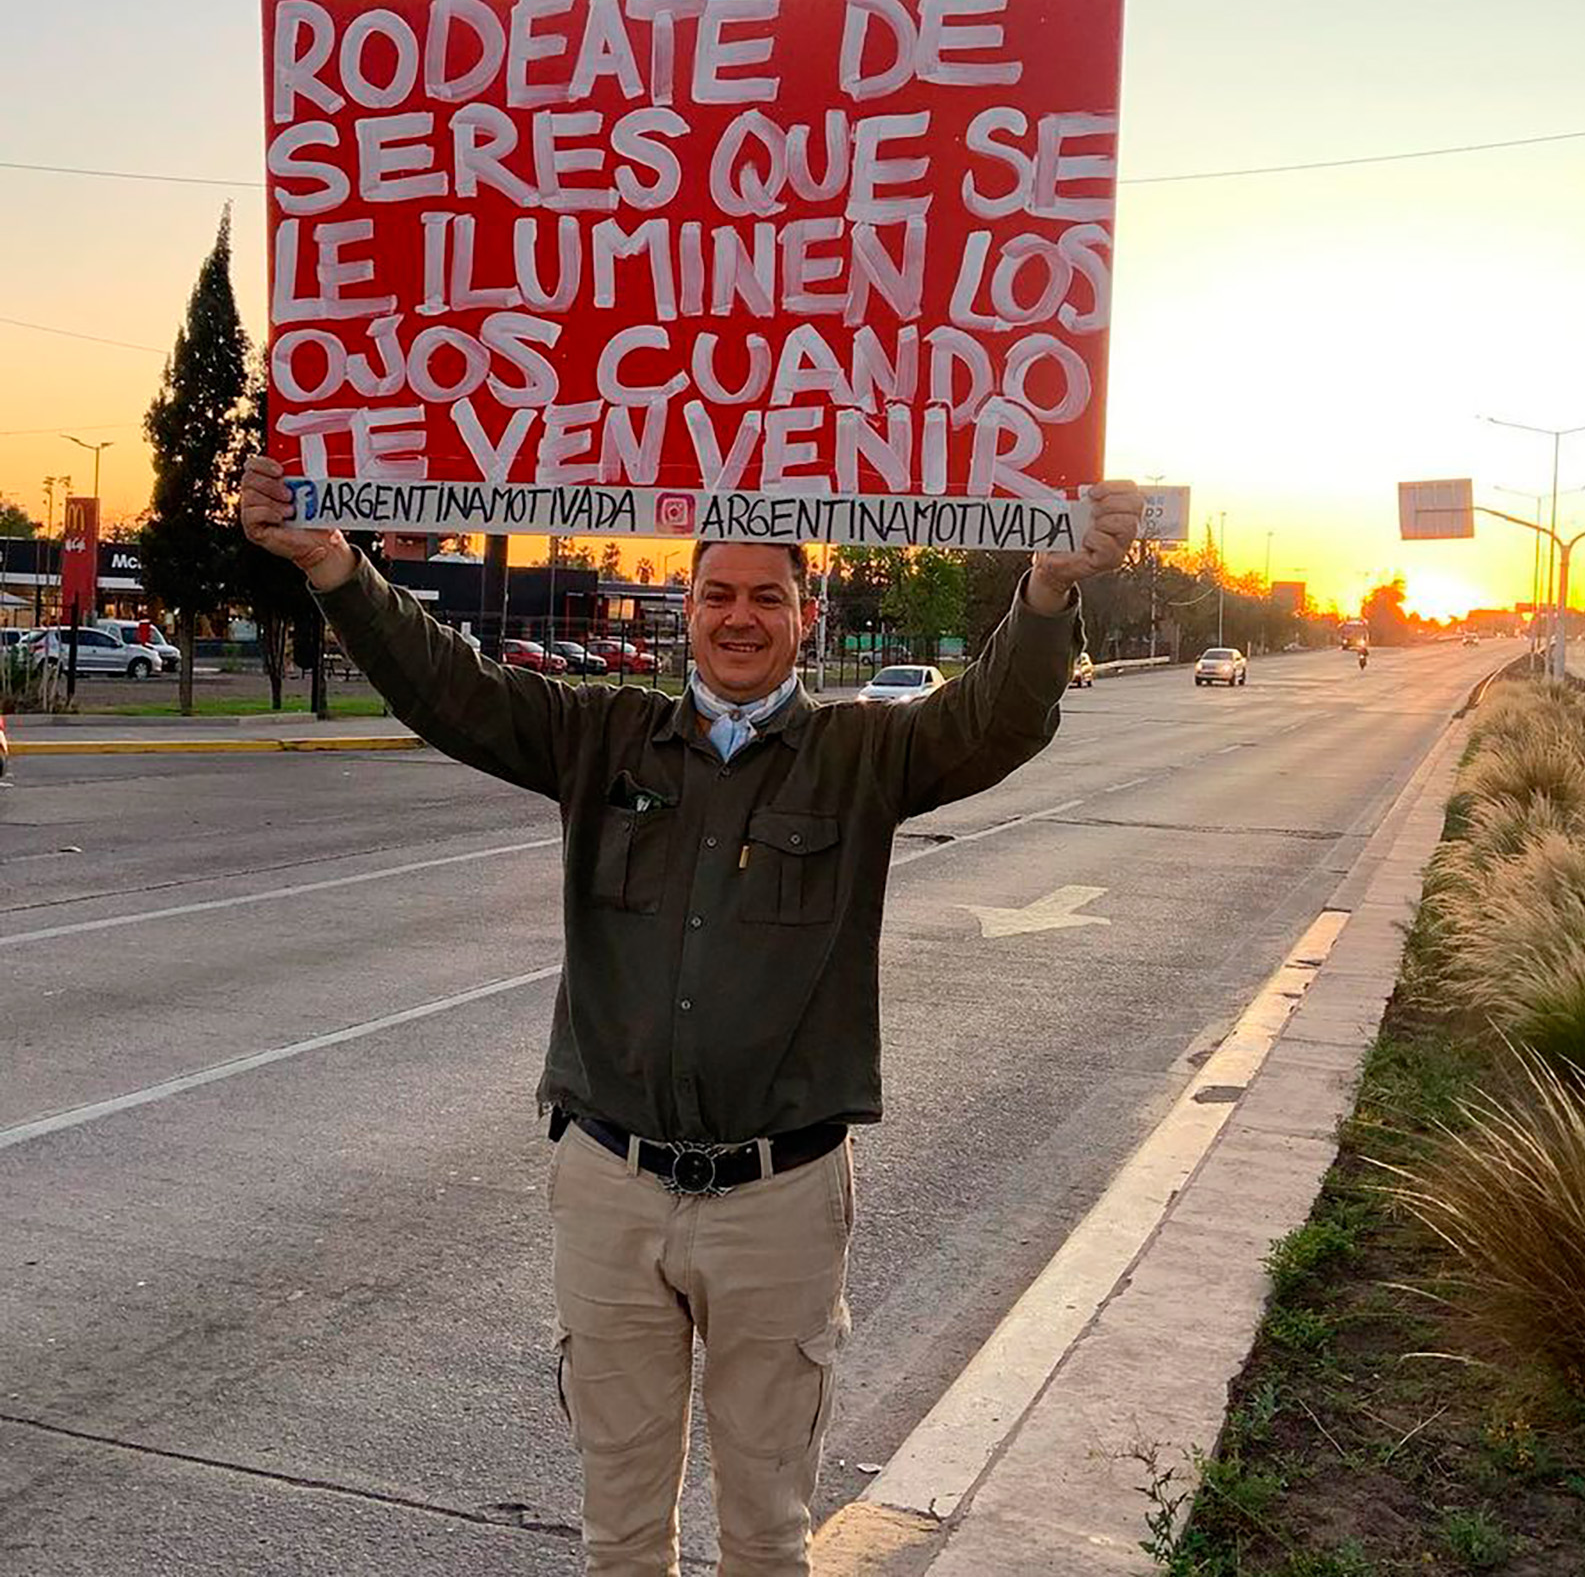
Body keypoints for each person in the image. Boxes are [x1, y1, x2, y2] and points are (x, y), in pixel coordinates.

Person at [239, 455, 1141, 1577]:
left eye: (768, 595)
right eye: (719, 593)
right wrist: (333, 562)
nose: (740, 616)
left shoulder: (866, 752)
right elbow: (450, 687)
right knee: (619, 1535)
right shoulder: (599, 737)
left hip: (782, 1198)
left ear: (805, 617)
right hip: (611, 1187)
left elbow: (997, 718)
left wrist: (1050, 589)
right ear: (688, 611)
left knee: (767, 1533)